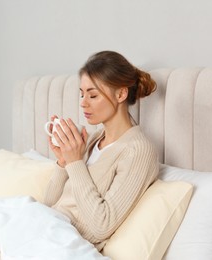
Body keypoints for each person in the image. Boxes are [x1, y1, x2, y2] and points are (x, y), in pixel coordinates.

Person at [44, 50, 159, 251]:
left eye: (93, 95)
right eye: (82, 94)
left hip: (64, 245)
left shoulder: (138, 151)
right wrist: (63, 163)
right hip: (46, 228)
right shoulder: (93, 140)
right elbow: (49, 206)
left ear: (121, 94)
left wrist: (74, 163)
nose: (83, 103)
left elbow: (101, 226)